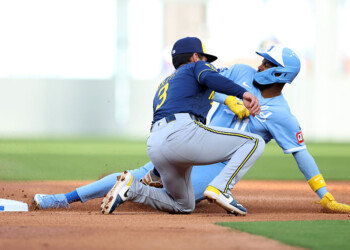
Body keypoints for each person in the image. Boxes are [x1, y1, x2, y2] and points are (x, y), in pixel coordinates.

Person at [33, 44, 350, 214]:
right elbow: (209, 80)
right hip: (196, 144)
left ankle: (121, 189)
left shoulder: (283, 116)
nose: (260, 66)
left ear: (280, 73)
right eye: (263, 61)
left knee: (166, 194)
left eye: (267, 64)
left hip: (210, 164)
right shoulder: (240, 71)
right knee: (174, 200)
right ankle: (60, 199)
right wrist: (230, 97)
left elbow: (301, 154)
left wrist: (324, 195)